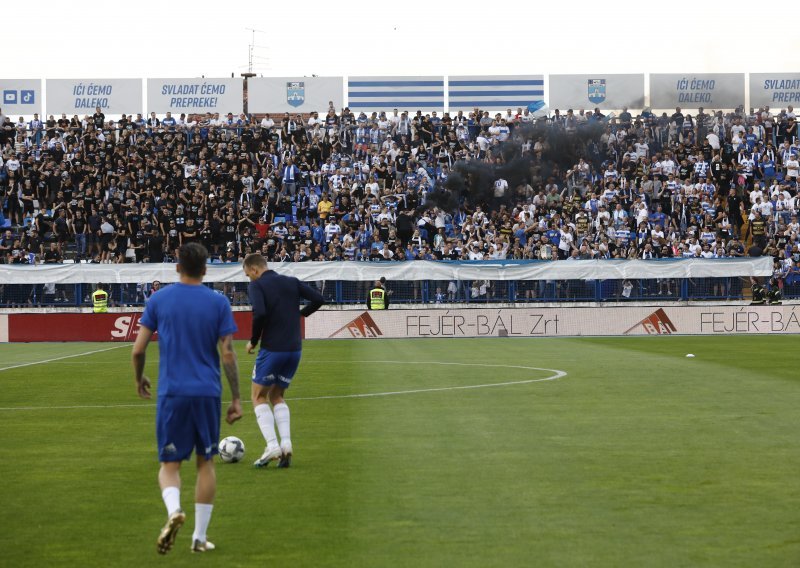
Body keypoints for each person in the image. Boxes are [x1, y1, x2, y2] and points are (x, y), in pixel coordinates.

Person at [131, 243, 242, 554]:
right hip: (207, 392)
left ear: (177, 267)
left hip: (172, 393)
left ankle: (173, 512)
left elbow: (138, 349)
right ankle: (198, 537)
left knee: (170, 464)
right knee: (205, 462)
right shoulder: (218, 302)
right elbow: (228, 354)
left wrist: (139, 379)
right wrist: (236, 398)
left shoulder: (159, 299)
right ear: (205, 270)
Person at [243, 253, 325, 468]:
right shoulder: (291, 281)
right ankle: (286, 445)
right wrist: (301, 314)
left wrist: (253, 341)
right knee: (277, 395)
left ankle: (272, 445)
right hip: (294, 349)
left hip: (272, 348)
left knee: (258, 397)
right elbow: (319, 299)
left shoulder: (257, 285)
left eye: (247, 275)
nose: (249, 279)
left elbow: (259, 313)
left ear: (254, 270)